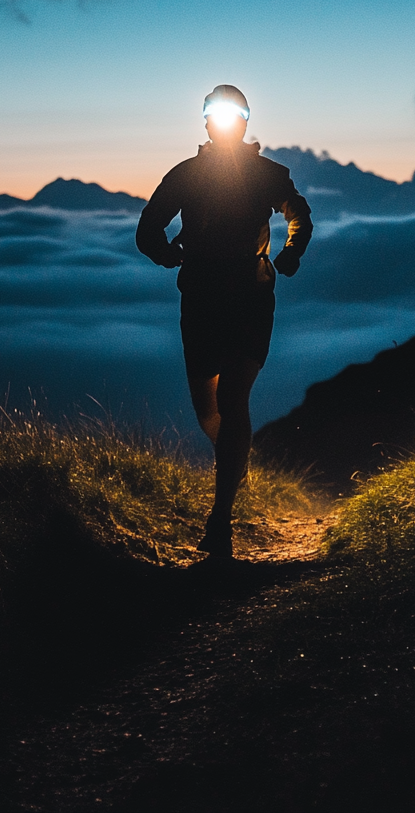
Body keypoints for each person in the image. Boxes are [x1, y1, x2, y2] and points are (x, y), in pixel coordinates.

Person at [136, 84, 313, 559]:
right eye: (220, 114)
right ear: (209, 121)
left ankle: (220, 521)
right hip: (206, 299)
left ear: (244, 121)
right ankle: (235, 462)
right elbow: (148, 228)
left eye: (232, 114)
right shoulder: (191, 175)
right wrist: (165, 252)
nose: (226, 122)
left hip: (245, 298)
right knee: (208, 409)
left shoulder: (259, 174)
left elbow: (300, 218)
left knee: (232, 398)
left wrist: (291, 252)